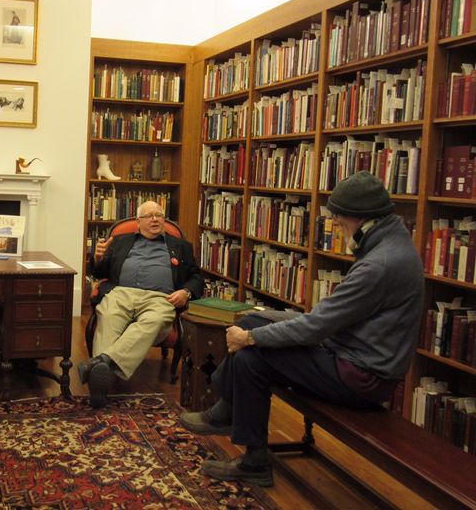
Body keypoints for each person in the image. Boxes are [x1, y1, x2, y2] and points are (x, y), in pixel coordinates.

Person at [180, 171, 424, 487]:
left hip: (360, 376)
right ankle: (228, 415)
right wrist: (254, 329)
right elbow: (323, 321)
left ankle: (248, 452)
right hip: (348, 357)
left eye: (340, 222)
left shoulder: (380, 264)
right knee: (251, 319)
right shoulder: (390, 244)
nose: (339, 229)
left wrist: (250, 338)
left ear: (362, 219)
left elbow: (315, 327)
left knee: (251, 357)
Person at [79, 200, 203, 409]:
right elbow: (100, 273)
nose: (155, 219)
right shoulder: (120, 241)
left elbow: (196, 277)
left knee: (155, 320)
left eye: (159, 215)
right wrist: (98, 258)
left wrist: (186, 292)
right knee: (108, 316)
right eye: (149, 216)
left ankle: (100, 366)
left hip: (160, 298)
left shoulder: (181, 246)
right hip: (121, 293)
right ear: (138, 221)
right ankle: (102, 378)